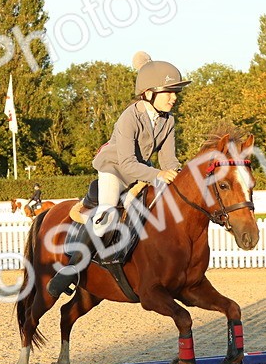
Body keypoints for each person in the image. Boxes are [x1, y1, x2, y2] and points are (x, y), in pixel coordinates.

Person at [48, 51, 188, 297]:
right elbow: (126, 162)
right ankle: (71, 269)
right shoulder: (129, 117)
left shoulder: (168, 121)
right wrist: (158, 174)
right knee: (108, 212)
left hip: (140, 171)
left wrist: (180, 175)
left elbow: (169, 161)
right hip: (115, 168)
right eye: (169, 92)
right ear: (149, 93)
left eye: (175, 92)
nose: (174, 98)